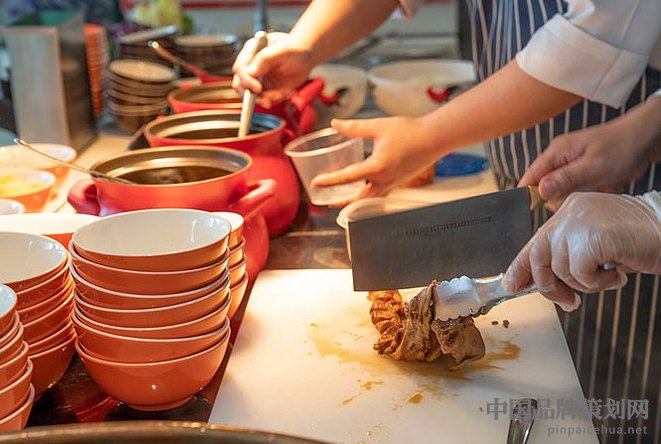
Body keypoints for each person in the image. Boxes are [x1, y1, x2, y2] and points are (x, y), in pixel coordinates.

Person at [234, 2, 661, 441]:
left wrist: (427, 136)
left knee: (619, 397)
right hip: (563, 165)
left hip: (631, 202)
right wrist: (306, 44)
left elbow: (593, 39)